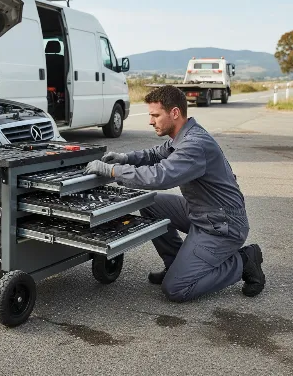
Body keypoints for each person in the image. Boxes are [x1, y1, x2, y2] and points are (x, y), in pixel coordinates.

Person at [84, 85, 265, 302]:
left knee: (177, 289)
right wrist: (125, 158)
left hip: (222, 226)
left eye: (155, 115)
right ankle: (175, 265)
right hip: (202, 212)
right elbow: (155, 154)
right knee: (151, 203)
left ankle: (244, 261)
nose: (151, 121)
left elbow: (160, 176)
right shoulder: (183, 136)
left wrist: (112, 171)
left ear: (175, 113)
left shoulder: (194, 144)